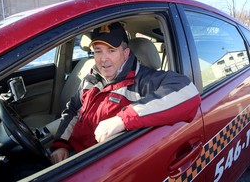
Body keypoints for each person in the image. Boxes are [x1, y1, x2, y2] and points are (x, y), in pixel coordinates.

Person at [50, 22, 201, 164]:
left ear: (126, 52)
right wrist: (61, 143)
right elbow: (73, 109)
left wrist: (122, 119)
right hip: (74, 156)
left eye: (111, 50)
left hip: (103, 165)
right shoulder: (90, 78)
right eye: (98, 51)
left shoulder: (144, 81)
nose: (103, 59)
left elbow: (188, 92)